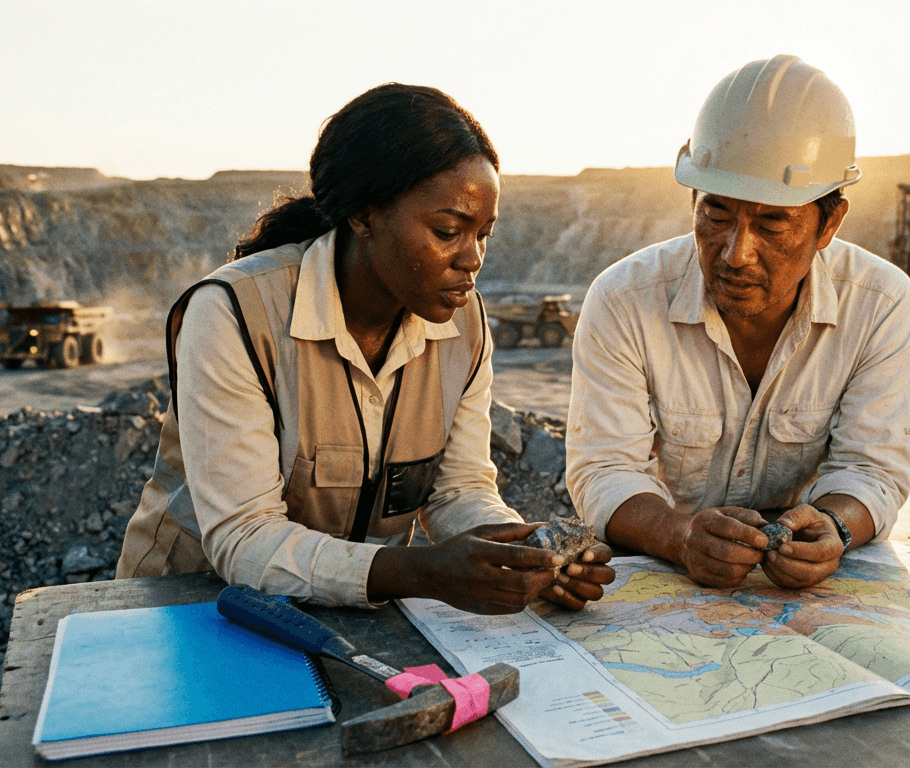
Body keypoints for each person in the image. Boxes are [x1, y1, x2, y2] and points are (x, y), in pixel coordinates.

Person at [117, 83, 613, 614]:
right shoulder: (233, 313)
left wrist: (521, 559)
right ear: (364, 215)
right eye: (448, 230)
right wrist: (420, 571)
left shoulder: (465, 325)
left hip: (354, 614)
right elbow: (242, 535)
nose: (472, 259)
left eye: (483, 234)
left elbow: (458, 488)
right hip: (190, 611)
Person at [565, 55, 910, 591]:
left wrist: (836, 527)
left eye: (772, 222)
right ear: (693, 198)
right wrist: (680, 537)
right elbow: (604, 469)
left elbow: (873, 469)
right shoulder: (623, 300)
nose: (735, 253)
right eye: (717, 214)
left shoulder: (881, 304)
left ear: (830, 223)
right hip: (661, 575)